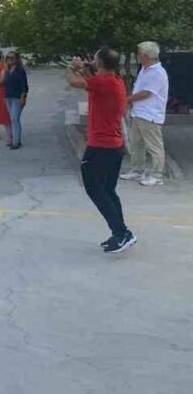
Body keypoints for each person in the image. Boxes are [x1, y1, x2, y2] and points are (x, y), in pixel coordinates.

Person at [66, 50, 135, 253]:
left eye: (95, 59)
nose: (92, 61)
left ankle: (121, 233)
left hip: (101, 146)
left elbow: (73, 81)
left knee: (94, 189)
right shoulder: (114, 81)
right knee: (107, 191)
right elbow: (91, 81)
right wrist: (84, 69)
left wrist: (72, 67)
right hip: (112, 146)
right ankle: (121, 232)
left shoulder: (103, 82)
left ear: (101, 62)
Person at [121, 41, 169, 187]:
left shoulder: (158, 72)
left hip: (150, 114)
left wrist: (127, 99)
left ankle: (157, 175)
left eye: (139, 54)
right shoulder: (144, 69)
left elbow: (147, 93)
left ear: (146, 55)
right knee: (136, 143)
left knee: (154, 146)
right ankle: (137, 169)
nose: (137, 56)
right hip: (139, 112)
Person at [3, 51, 29, 149]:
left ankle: (16, 142)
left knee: (14, 119)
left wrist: (23, 98)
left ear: (16, 59)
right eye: (8, 57)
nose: (9, 59)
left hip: (17, 97)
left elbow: (24, 86)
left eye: (12, 58)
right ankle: (16, 139)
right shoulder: (7, 70)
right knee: (12, 119)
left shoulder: (20, 70)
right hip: (8, 97)